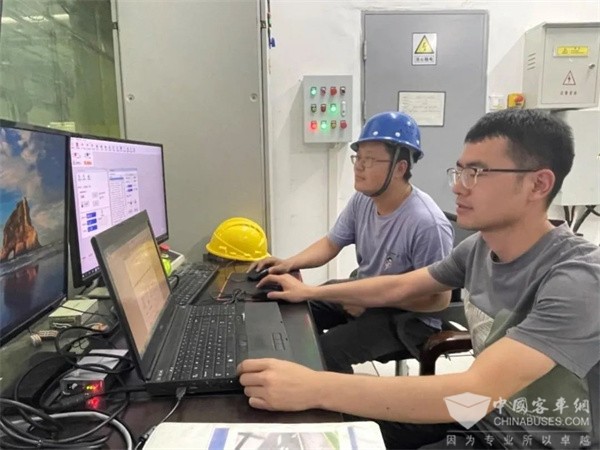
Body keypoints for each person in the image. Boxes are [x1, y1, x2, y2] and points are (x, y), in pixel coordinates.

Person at [238, 108, 600, 449]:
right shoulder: (477, 248)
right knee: (334, 426)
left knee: (325, 394)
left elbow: (477, 386)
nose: (458, 187)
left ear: (538, 184)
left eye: (477, 173)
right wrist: (310, 291)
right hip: (480, 413)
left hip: (532, 439)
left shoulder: (578, 280)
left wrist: (315, 386)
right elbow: (401, 284)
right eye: (459, 171)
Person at [251, 111, 453, 373]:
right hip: (367, 294)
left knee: (326, 352)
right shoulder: (363, 200)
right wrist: (288, 263)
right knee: (295, 310)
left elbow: (438, 300)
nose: (359, 166)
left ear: (400, 168)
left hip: (409, 317)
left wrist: (372, 300)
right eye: (358, 158)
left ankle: (337, 397)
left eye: (370, 160)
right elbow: (331, 243)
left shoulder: (427, 223)